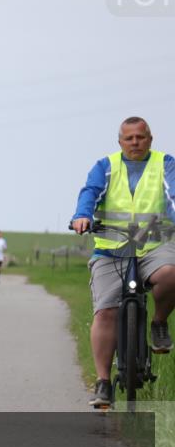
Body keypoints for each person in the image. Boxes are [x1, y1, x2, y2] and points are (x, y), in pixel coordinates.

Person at [70, 116, 175, 408]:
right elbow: (90, 193)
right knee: (105, 313)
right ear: (120, 141)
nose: (135, 143)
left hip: (155, 246)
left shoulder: (165, 164)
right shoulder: (105, 166)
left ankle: (159, 323)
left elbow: (173, 195)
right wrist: (82, 216)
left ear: (150, 139)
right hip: (111, 249)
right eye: (129, 138)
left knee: (171, 274)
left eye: (140, 137)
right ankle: (103, 383)